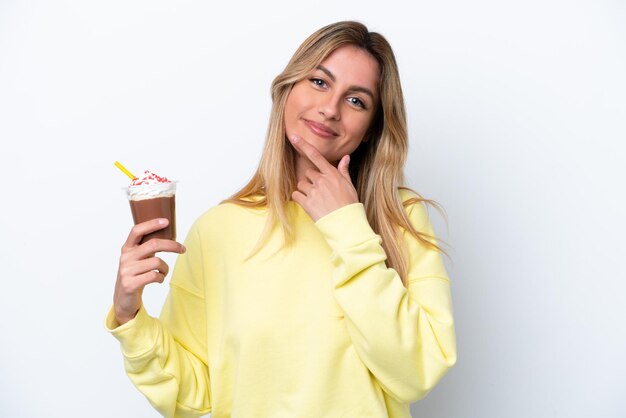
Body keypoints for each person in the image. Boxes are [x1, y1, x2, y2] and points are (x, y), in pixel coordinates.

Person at [106, 20, 457, 418]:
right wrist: (128, 315)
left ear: (370, 131)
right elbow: (192, 393)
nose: (330, 109)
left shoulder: (401, 218)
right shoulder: (218, 229)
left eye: (356, 100)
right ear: (287, 89)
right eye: (320, 82)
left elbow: (418, 372)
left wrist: (347, 226)